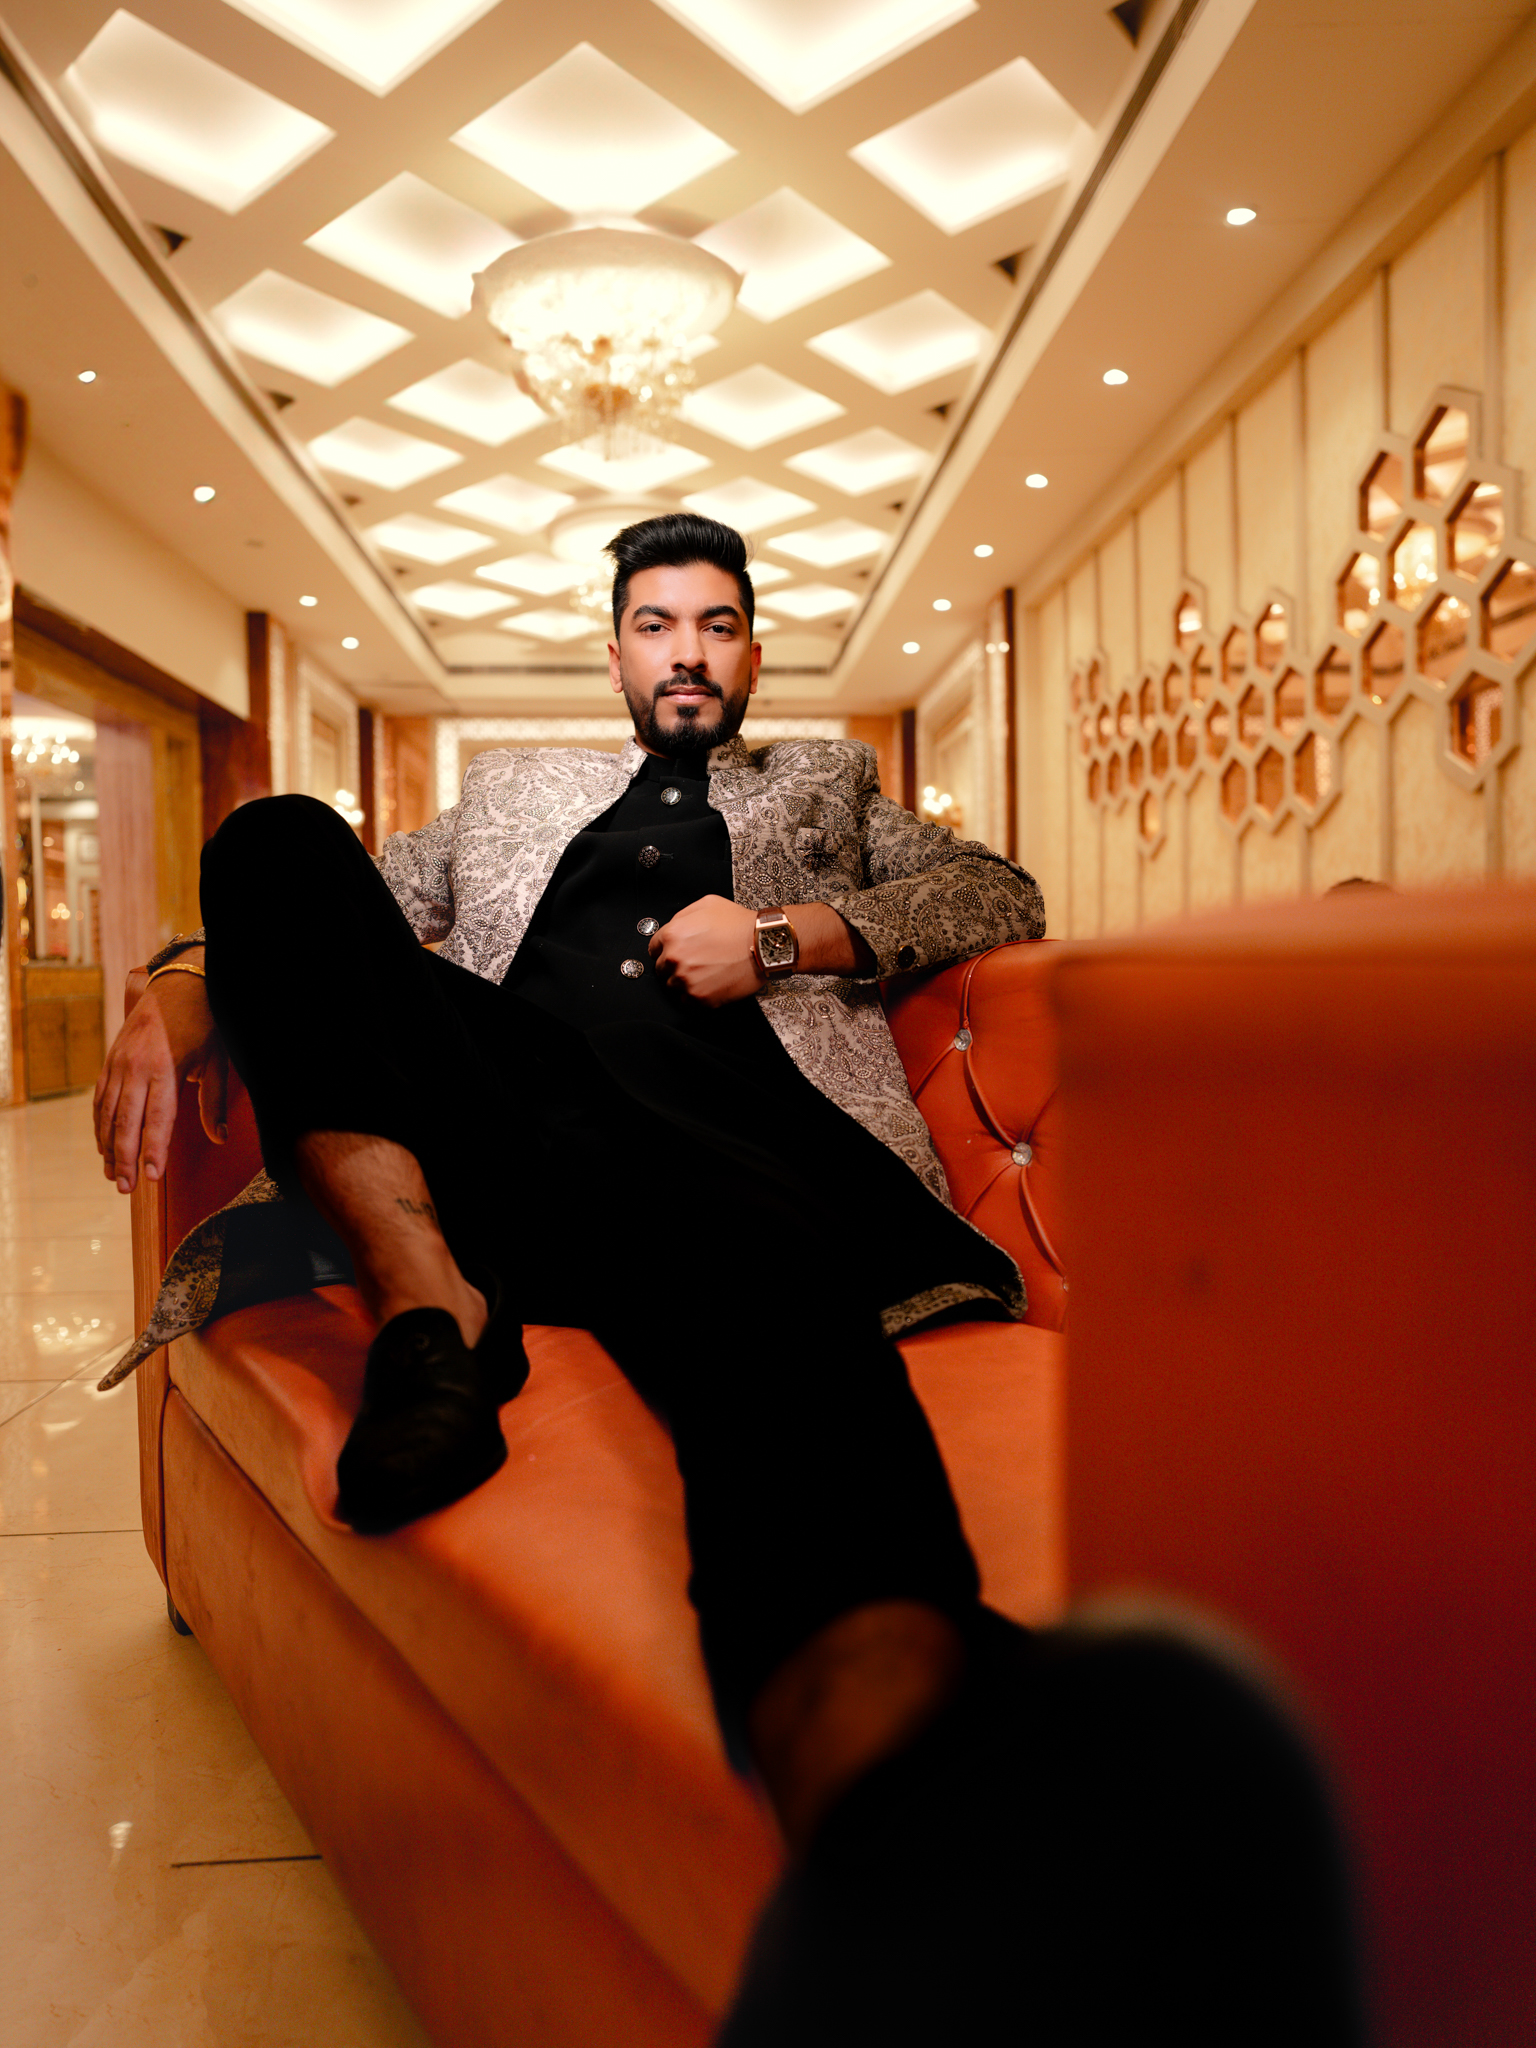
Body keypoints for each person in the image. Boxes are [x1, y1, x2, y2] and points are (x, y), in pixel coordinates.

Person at [94, 514, 1361, 2043]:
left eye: (714, 626)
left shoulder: (827, 784)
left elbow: (998, 895)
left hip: (736, 1144)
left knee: (776, 1338)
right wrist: (183, 987)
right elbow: (323, 908)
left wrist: (781, 934)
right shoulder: (510, 793)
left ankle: (890, 1779)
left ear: (752, 655)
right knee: (272, 836)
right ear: (616, 653)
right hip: (506, 1126)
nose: (685, 652)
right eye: (656, 625)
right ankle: (435, 1305)